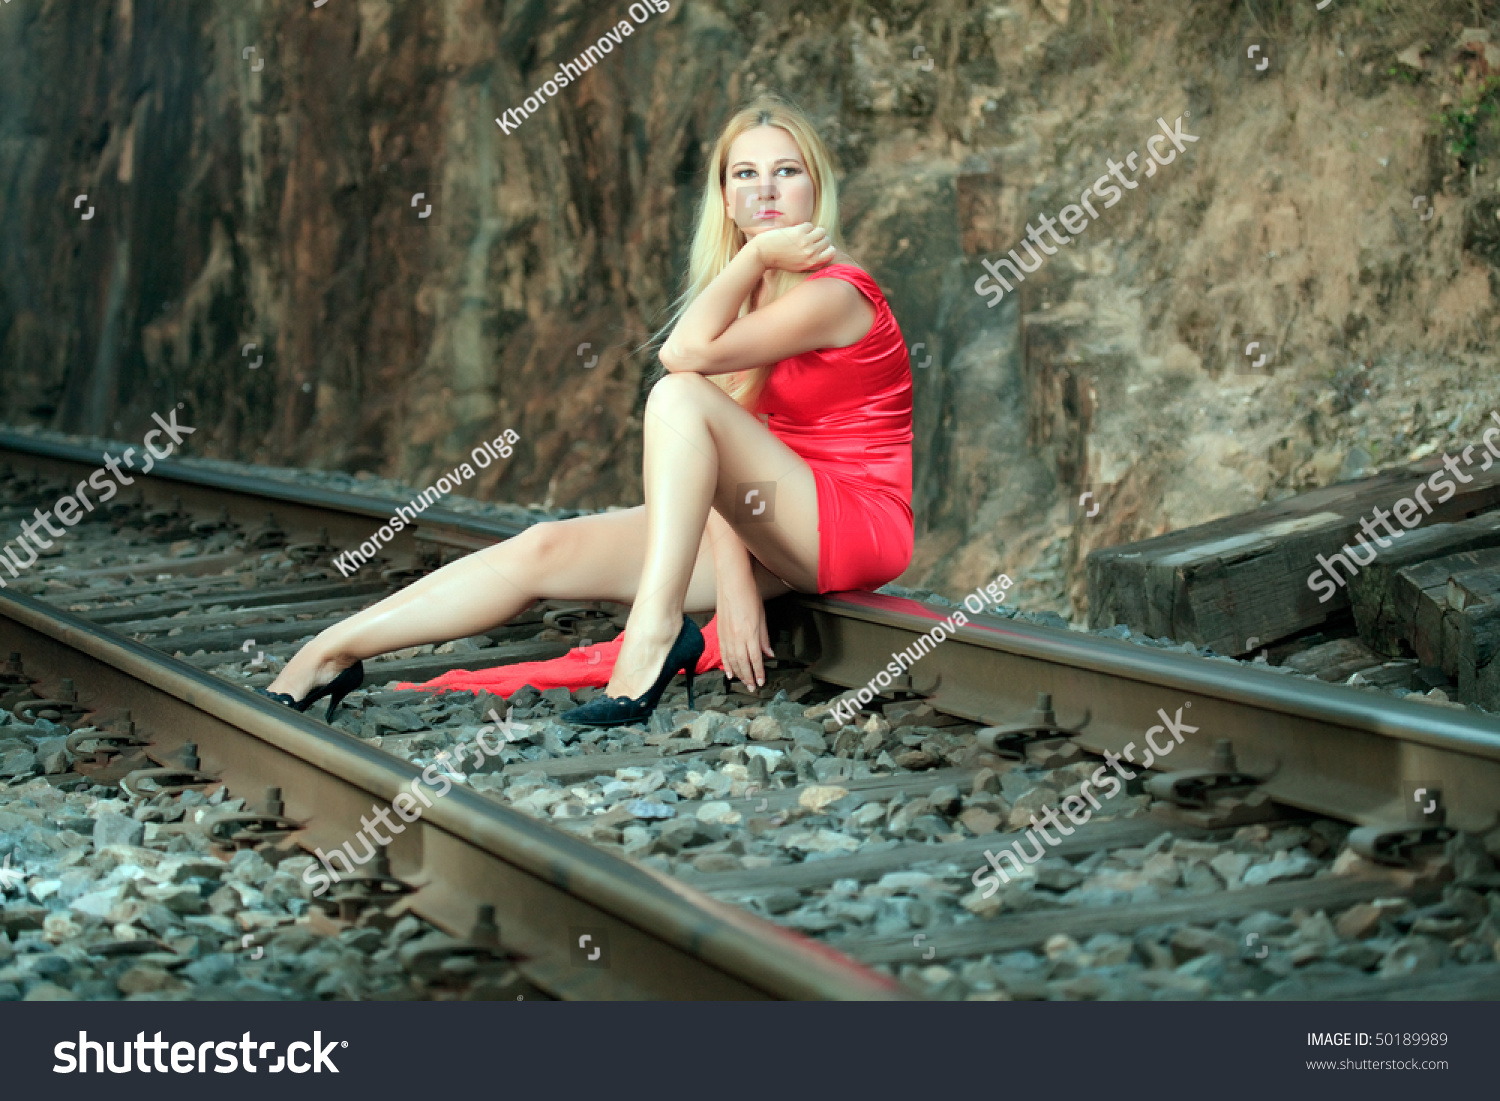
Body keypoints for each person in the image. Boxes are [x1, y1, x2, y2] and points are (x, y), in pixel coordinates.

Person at [257, 92, 914, 727]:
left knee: (679, 395)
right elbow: (720, 452)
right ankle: (326, 653)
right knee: (547, 546)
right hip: (775, 512)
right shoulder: (752, 292)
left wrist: (759, 253)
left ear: (814, 186)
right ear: (724, 195)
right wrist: (736, 582)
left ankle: (652, 635)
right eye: (745, 173)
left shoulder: (835, 292)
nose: (765, 189)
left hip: (854, 519)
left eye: (785, 172)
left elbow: (681, 358)